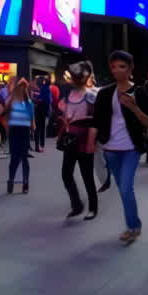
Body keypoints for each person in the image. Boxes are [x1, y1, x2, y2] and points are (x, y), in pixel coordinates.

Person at [94, 51, 148, 244]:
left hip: (131, 148)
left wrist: (134, 108)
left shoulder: (139, 92)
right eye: (113, 67)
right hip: (110, 149)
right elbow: (97, 120)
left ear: (130, 69)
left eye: (121, 66)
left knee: (126, 188)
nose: (117, 70)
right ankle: (134, 223)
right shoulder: (104, 93)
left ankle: (133, 226)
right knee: (122, 189)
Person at [58, 61, 101, 221]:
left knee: (87, 175)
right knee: (66, 174)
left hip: (85, 137)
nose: (73, 78)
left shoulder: (91, 95)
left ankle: (93, 207)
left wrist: (92, 142)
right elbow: (66, 114)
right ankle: (76, 204)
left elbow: (95, 121)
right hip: (71, 138)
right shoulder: (69, 94)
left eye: (77, 75)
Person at [5, 78, 35, 194]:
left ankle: (25, 182)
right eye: (20, 87)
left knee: (23, 158)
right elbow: (7, 111)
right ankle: (11, 180)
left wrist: (32, 128)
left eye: (24, 88)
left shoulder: (29, 103)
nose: (22, 90)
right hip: (14, 131)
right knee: (14, 158)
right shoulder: (12, 101)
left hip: (24, 131)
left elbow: (32, 119)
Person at [33, 75, 52, 153]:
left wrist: (36, 100)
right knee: (42, 128)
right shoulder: (46, 89)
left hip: (38, 110)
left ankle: (38, 146)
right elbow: (48, 101)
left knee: (37, 129)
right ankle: (41, 146)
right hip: (43, 111)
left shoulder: (41, 89)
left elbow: (40, 99)